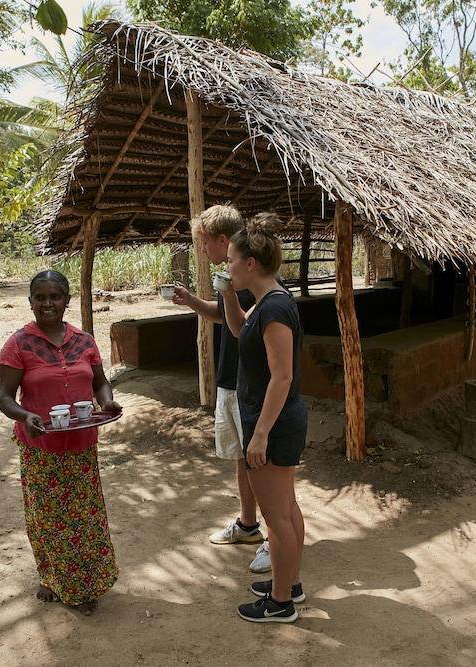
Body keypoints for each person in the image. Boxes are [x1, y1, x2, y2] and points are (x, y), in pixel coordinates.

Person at [0, 270, 122, 615]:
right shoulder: (18, 344)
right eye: (40, 297)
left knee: (85, 517)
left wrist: (106, 402)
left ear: (67, 300)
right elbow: (5, 398)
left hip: (81, 444)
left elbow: (100, 382)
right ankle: (52, 577)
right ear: (31, 301)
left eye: (55, 297)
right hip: (41, 446)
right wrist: (26, 417)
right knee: (48, 517)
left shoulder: (84, 340)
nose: (47, 303)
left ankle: (87, 583)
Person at [172, 204, 272, 574]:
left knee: (261, 464)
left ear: (222, 240)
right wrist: (194, 301)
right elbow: (223, 317)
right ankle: (248, 526)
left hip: (249, 386)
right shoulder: (232, 281)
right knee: (241, 458)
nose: (203, 251)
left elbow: (240, 328)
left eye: (204, 243)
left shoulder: (249, 280)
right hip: (230, 382)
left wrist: (227, 293)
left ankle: (274, 539)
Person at [221, 213, 307, 624]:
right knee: (286, 507)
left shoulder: (274, 308)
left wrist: (259, 436)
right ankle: (289, 584)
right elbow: (239, 332)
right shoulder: (265, 302)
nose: (229, 267)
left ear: (250, 264)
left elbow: (283, 376)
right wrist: (225, 296)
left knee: (276, 515)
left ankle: (279, 603)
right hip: (275, 419)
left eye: (232, 261)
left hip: (273, 421)